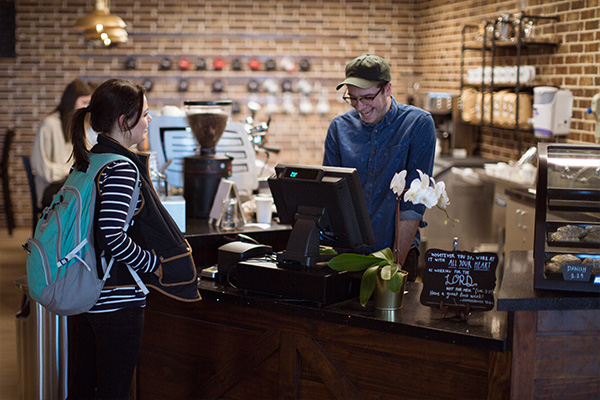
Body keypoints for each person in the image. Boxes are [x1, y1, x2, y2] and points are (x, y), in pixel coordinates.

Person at [66, 78, 200, 399]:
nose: (149, 120)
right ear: (124, 122)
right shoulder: (123, 167)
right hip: (115, 298)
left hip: (84, 291)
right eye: (145, 114)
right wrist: (154, 264)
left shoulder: (90, 159)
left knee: (82, 389)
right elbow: (112, 235)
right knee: (113, 391)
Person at [323, 54, 436, 281]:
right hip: (347, 255)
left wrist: (392, 269)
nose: (360, 106)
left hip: (396, 254)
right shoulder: (339, 128)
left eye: (367, 97)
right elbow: (330, 196)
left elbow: (412, 205)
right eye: (353, 99)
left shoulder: (417, 124)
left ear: (387, 89)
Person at [31, 79, 96, 209]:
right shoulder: (50, 124)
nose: (86, 107)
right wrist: (66, 171)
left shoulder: (79, 125)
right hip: (51, 188)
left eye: (88, 103)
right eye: (84, 102)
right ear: (71, 101)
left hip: (70, 182)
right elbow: (40, 166)